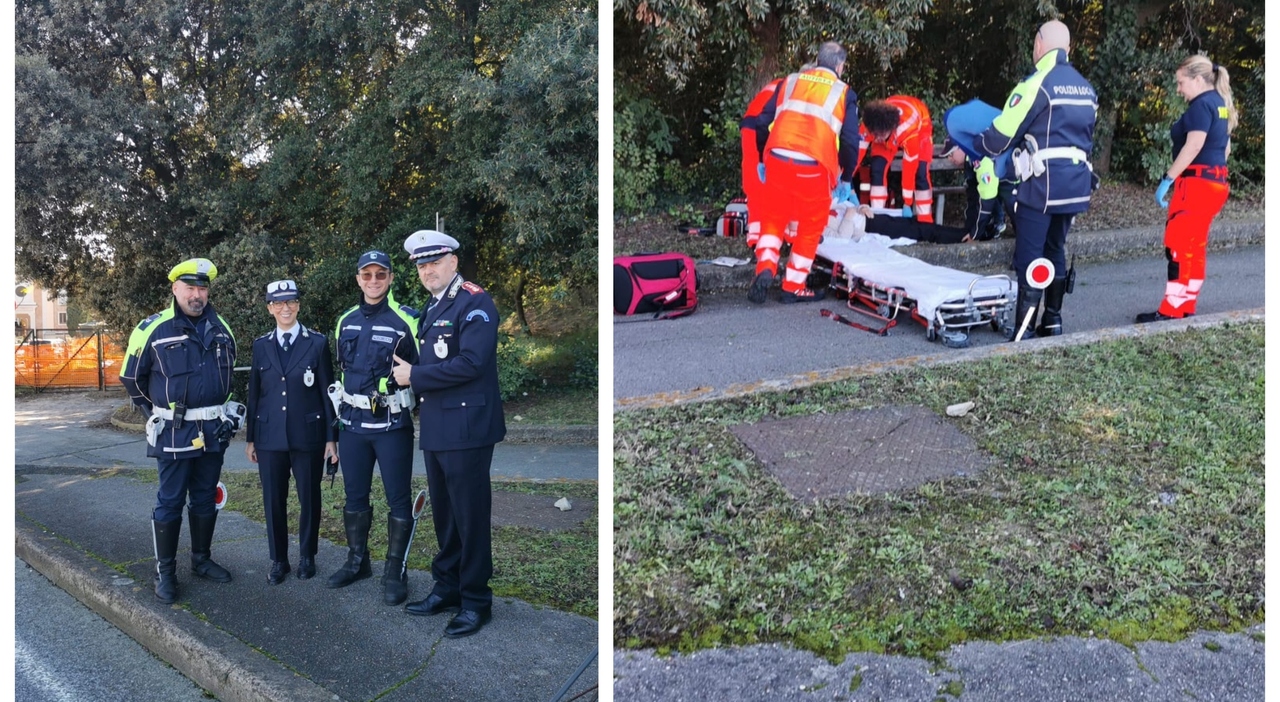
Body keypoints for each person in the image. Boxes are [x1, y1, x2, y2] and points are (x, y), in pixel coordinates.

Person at [393, 230, 506, 639]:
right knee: (445, 513)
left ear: (453, 262)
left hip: (469, 427)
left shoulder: (475, 301)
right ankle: (448, 587)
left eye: (434, 263)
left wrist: (415, 374)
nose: (427, 271)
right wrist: (407, 369)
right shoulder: (433, 305)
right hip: (438, 427)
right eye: (422, 266)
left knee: (470, 515)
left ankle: (476, 600)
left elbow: (472, 363)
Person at [120, 257, 241, 604]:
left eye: (202, 288)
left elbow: (227, 379)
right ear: (175, 289)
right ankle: (166, 572)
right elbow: (131, 379)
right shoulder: (152, 329)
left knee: (205, 498)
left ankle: (201, 560)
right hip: (173, 432)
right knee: (170, 501)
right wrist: (156, 414)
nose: (197, 294)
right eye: (190, 287)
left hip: (212, 431)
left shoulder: (222, 329)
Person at [972, 20, 1098, 339]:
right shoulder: (1086, 87)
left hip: (1041, 186)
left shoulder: (1037, 84)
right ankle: (1052, 321)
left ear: (1039, 44)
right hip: (1075, 186)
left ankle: (1023, 329)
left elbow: (1001, 136)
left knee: (1030, 254)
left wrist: (977, 144)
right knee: (1056, 248)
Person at [327, 250, 421, 606]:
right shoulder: (345, 321)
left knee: (397, 498)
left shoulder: (408, 320)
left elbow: (423, 373)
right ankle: (357, 561)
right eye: (366, 275)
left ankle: (395, 569)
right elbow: (342, 374)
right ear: (358, 279)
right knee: (354, 496)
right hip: (353, 426)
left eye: (380, 275)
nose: (373, 281)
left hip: (392, 425)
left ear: (391, 278)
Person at [748, 42, 860, 303]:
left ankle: (765, 267)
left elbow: (763, 122)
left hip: (777, 159)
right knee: (810, 228)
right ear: (840, 65)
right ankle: (793, 286)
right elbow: (851, 142)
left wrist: (764, 157)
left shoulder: (790, 81)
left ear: (818, 59)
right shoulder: (844, 92)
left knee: (773, 218)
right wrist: (846, 178)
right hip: (814, 167)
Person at [244, 280, 339, 584]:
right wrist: (250, 437)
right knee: (273, 500)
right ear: (270, 308)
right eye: (278, 303)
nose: (285, 308)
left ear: (298, 305)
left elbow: (328, 394)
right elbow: (255, 393)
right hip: (270, 436)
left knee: (309, 497)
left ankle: (307, 556)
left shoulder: (317, 343)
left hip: (307, 435)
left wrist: (330, 437)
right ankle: (278, 559)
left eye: (291, 302)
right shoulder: (261, 345)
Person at [1136, 55, 1236, 323]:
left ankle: (1170, 311)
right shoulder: (1220, 104)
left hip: (1195, 185)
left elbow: (1194, 145)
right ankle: (1186, 305)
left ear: (1197, 79)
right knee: (1195, 245)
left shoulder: (1201, 106)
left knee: (1179, 247)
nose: (1179, 89)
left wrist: (1169, 178)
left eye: (1181, 83)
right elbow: (1224, 148)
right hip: (1215, 183)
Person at [941, 99, 1020, 241]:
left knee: (1015, 209)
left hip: (1016, 177)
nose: (950, 159)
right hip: (1007, 175)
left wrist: (975, 234)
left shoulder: (980, 158)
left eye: (951, 154)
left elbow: (987, 198)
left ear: (961, 146)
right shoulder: (971, 159)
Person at [858, 95, 938, 222]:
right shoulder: (870, 125)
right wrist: (844, 180)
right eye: (875, 134)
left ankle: (925, 220)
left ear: (890, 128)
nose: (877, 138)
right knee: (877, 169)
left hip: (920, 126)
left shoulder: (907, 129)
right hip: (889, 126)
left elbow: (909, 167)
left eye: (881, 135)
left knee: (920, 172)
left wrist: (907, 202)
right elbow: (857, 152)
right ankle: (877, 216)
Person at [739, 76, 785, 250]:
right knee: (759, 182)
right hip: (759, 130)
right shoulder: (792, 88)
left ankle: (757, 236)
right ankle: (766, 236)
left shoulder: (781, 84)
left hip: (754, 127)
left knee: (755, 182)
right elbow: (765, 121)